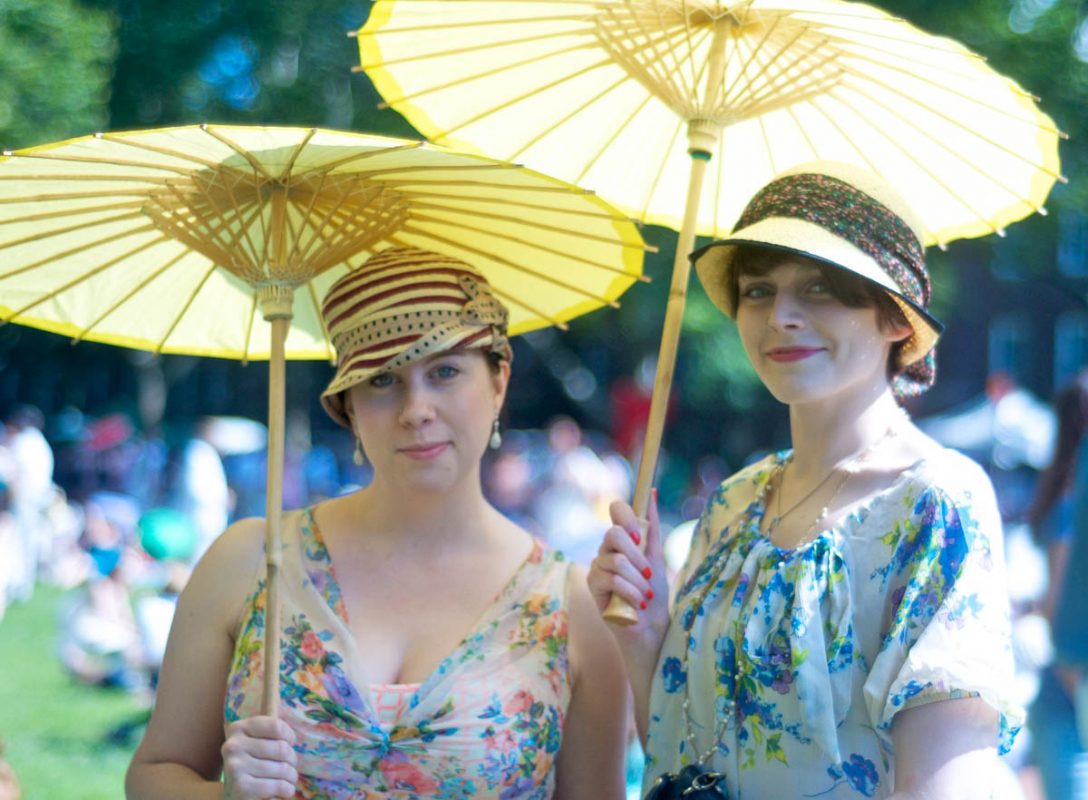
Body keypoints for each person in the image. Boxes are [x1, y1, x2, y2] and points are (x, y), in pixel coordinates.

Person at [126, 247, 628, 799]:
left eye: (445, 372)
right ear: (349, 406)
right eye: (382, 380)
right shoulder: (252, 560)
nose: (416, 409)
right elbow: (155, 773)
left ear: (498, 381)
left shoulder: (570, 607)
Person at [588, 163, 1022, 799]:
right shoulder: (733, 501)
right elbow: (680, 746)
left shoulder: (935, 503)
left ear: (897, 318)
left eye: (819, 288)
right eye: (758, 290)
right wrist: (646, 633)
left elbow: (946, 782)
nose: (780, 315)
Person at [1025, 370, 1088, 800]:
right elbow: (1061, 602)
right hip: (1073, 683)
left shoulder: (1059, 495)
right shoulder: (1071, 503)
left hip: (1066, 681)